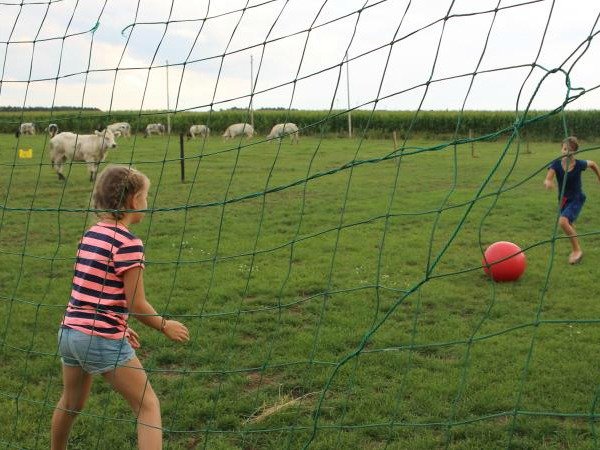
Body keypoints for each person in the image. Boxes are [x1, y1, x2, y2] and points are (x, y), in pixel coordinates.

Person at [51, 165, 190, 450]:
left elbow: (91, 291)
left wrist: (121, 325)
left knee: (71, 402)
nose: (147, 204)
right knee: (147, 406)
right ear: (132, 201)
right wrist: (165, 325)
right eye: (146, 197)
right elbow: (136, 304)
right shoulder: (129, 244)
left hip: (69, 334)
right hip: (100, 339)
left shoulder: (89, 235)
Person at [544, 136, 600, 264]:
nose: (566, 152)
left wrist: (599, 177)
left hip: (577, 198)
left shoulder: (579, 164)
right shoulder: (556, 164)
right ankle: (576, 244)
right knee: (569, 224)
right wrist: (548, 182)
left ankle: (577, 251)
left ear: (575, 152)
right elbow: (548, 177)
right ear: (561, 149)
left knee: (563, 222)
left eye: (569, 150)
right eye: (564, 149)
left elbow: (592, 164)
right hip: (563, 200)